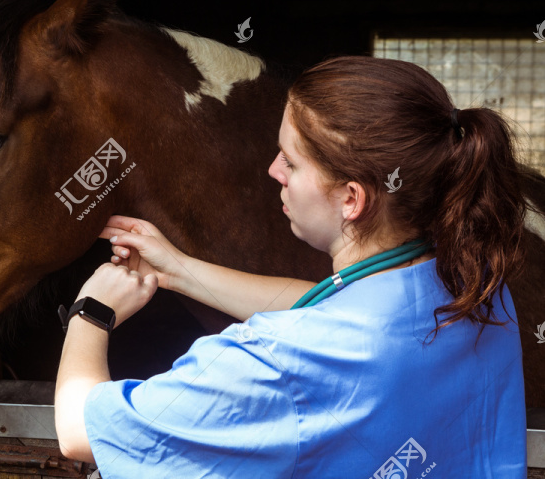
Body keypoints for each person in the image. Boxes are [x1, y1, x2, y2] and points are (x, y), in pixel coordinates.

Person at [54, 56, 528, 478]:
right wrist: (178, 269)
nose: (273, 171)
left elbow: (79, 431)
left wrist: (92, 312)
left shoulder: (276, 365)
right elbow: (326, 307)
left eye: (292, 162)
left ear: (351, 199)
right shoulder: (475, 285)